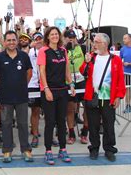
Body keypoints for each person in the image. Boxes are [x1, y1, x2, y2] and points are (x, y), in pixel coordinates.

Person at [81, 33, 125, 161]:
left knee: (108, 125)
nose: (94, 44)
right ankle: (94, 148)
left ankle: (109, 149)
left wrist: (119, 96)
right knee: (93, 125)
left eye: (96, 42)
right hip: (92, 96)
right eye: (94, 42)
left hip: (108, 98)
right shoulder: (92, 58)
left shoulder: (115, 60)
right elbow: (83, 71)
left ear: (105, 44)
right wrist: (86, 62)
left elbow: (120, 80)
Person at [0, 30, 33, 163]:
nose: (11, 42)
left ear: (17, 41)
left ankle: (26, 150)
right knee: (6, 124)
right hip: (5, 97)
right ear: (4, 42)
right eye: (8, 40)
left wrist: (20, 85)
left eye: (13, 40)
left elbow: (29, 73)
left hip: (21, 97)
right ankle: (7, 150)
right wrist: (1, 86)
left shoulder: (24, 56)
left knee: (23, 124)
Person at [38, 26, 76, 165]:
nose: (54, 36)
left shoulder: (63, 50)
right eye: (52, 34)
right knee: (50, 121)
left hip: (62, 90)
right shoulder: (43, 51)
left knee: (61, 121)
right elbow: (41, 71)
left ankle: (63, 149)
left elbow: (66, 70)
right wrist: (46, 89)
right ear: (47, 37)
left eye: (56, 34)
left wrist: (71, 84)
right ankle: (48, 151)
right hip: (49, 90)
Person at [64, 29, 88, 145]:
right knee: (70, 109)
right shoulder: (63, 50)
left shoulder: (82, 48)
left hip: (82, 81)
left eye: (73, 38)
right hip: (69, 82)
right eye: (68, 38)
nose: (71, 40)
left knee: (87, 107)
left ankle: (84, 133)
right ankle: (71, 133)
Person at [28, 32, 43, 148]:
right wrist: (29, 47)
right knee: (35, 111)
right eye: (36, 39)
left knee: (49, 112)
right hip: (32, 83)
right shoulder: (29, 51)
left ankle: (51, 136)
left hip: (46, 84)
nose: (38, 41)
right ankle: (35, 134)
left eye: (40, 39)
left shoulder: (46, 50)